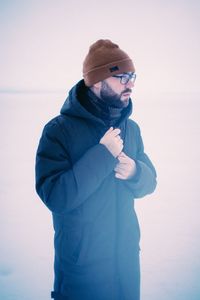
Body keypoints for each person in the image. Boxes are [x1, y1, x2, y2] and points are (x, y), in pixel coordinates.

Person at [35, 39, 157, 300]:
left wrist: (136, 172)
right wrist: (103, 155)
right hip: (83, 270)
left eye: (132, 76)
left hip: (126, 264)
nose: (131, 84)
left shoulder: (130, 128)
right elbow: (55, 196)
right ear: (97, 81)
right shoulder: (58, 131)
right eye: (122, 77)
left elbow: (151, 181)